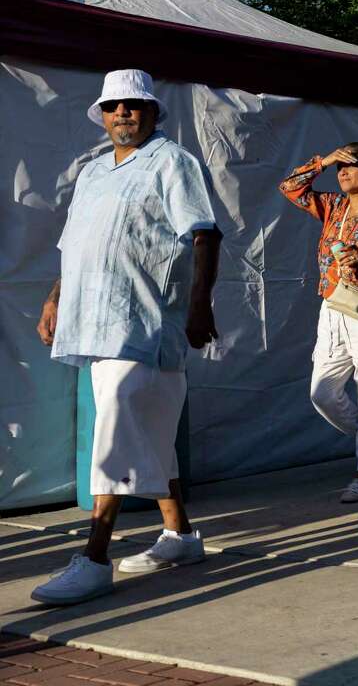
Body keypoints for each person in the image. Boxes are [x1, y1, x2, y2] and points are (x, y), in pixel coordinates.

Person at [32, 70, 220, 605]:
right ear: (102, 115)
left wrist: (200, 304)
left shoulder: (172, 161)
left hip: (144, 320)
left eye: (134, 105)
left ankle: (95, 558)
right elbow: (76, 244)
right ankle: (180, 536)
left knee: (114, 430)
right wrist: (54, 298)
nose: (123, 113)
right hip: (94, 319)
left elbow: (204, 234)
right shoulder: (92, 172)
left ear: (153, 112)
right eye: (113, 106)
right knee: (150, 430)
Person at [280, 142, 358, 503]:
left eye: (352, 164)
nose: (343, 171)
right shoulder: (334, 206)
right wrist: (325, 160)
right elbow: (290, 187)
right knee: (322, 393)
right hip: (333, 308)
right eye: (340, 167)